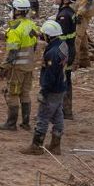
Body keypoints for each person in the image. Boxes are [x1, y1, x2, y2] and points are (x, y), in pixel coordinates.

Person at [22, 19, 67, 155]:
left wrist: (44, 91)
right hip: (61, 87)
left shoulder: (51, 53)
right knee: (58, 115)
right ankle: (55, 144)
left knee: (43, 116)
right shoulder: (63, 45)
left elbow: (50, 75)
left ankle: (37, 146)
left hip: (52, 89)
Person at [0, 0, 39, 132]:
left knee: (13, 94)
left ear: (17, 11)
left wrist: (4, 67)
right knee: (25, 94)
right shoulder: (31, 25)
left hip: (17, 68)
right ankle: (25, 123)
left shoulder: (15, 29)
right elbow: (34, 43)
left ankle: (11, 124)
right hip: (29, 66)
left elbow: (12, 53)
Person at [53, 0, 79, 118]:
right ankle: (66, 110)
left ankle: (60, 110)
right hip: (70, 49)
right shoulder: (70, 13)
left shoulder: (63, 16)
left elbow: (60, 36)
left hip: (64, 51)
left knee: (60, 80)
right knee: (66, 79)